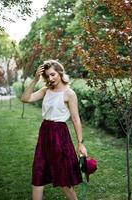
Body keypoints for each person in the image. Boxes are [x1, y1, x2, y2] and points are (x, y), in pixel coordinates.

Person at [21, 60, 87, 200]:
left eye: (53, 74)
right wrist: (35, 80)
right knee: (38, 169)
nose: (50, 78)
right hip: (44, 132)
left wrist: (80, 143)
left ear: (60, 72)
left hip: (59, 135)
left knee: (62, 174)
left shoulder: (69, 93)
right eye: (47, 76)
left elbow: (76, 119)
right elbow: (25, 98)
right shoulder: (46, 90)